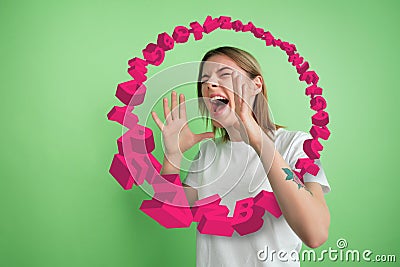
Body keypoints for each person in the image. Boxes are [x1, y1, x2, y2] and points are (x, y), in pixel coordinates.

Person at [151, 46, 331, 266]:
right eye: (204, 80)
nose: (209, 85)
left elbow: (316, 234)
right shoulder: (208, 153)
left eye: (224, 74)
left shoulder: (296, 144)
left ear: (256, 85)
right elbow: (170, 213)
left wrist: (258, 140)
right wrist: (173, 155)